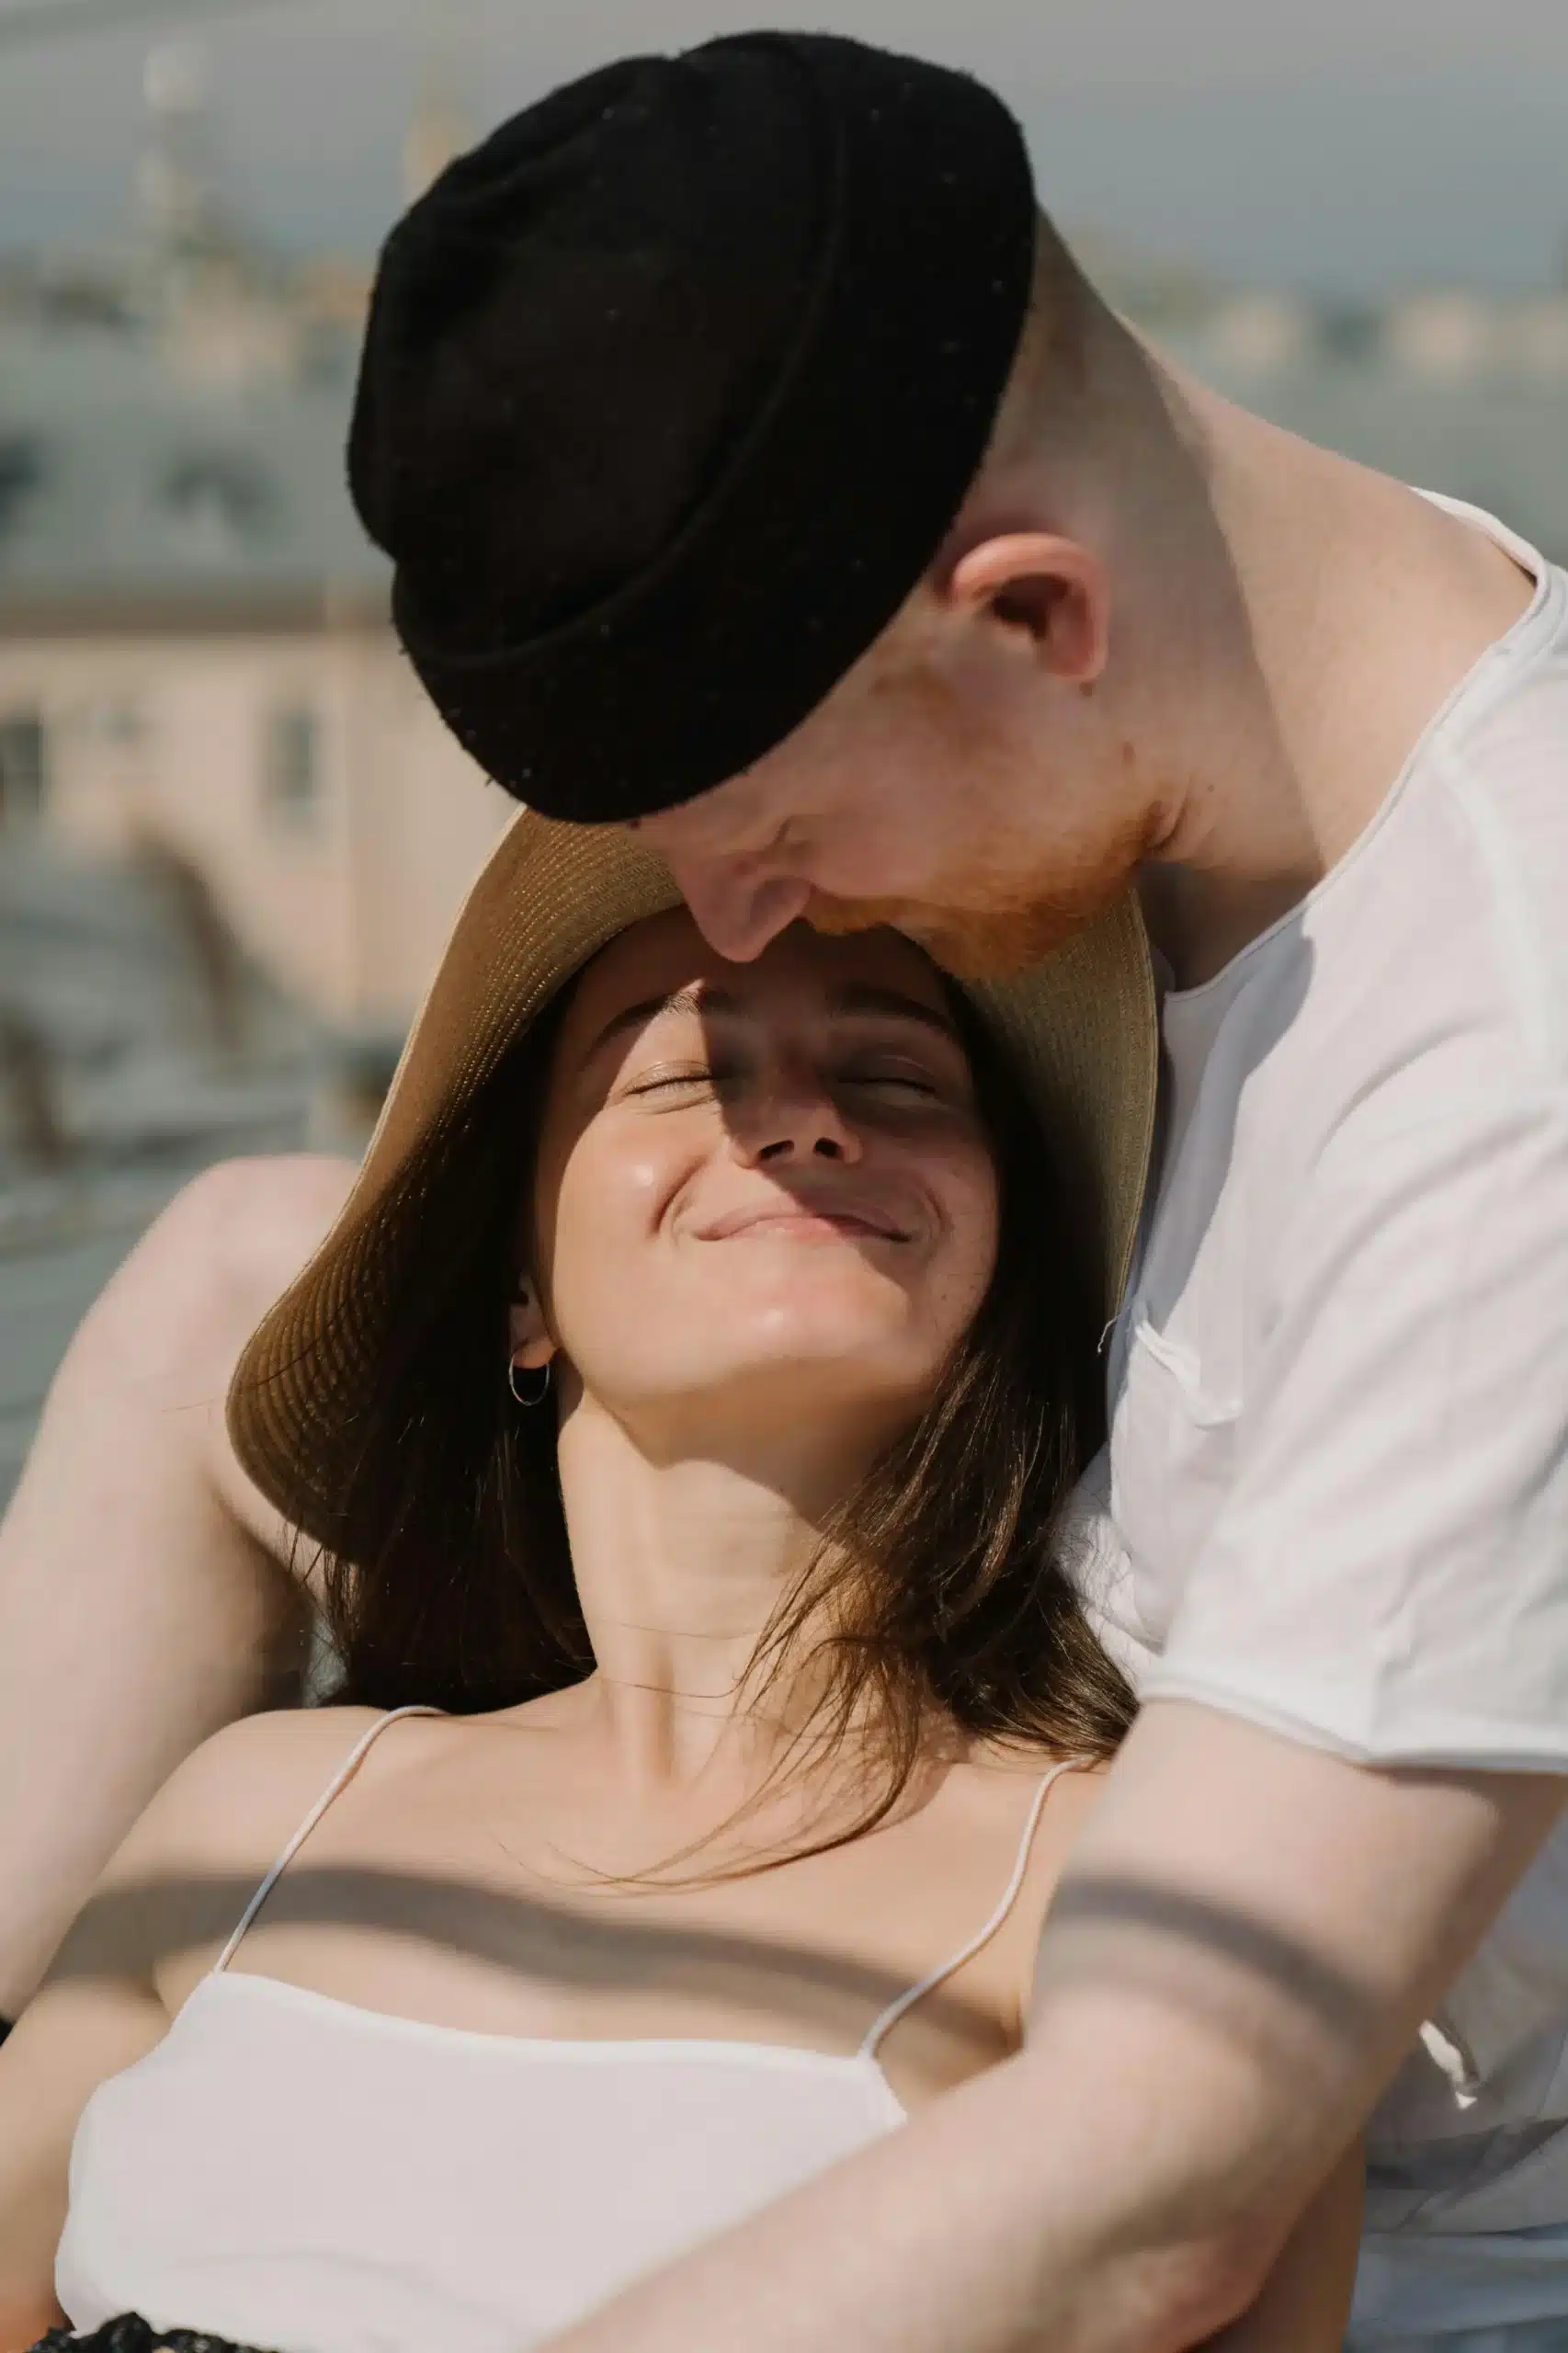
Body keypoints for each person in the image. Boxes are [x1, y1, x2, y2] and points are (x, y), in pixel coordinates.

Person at [0, 28, 1564, 2353]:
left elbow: (1158, 2169)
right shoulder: (1118, 819)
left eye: (768, 825)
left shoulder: (1509, 1063)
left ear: (1034, 619)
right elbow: (245, 1286)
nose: (736, 924)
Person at [0, 814, 1358, 2349]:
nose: (800, 1121)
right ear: (521, 1289)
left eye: (897, 1077)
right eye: (680, 1075)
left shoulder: (1142, 1884)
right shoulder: (261, 1809)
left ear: (999, 1266)